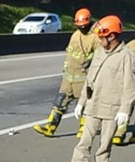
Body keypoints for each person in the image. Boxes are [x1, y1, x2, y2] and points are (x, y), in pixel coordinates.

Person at [69, 15, 135, 162]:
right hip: (93, 105)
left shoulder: (127, 56)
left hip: (112, 109)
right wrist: (82, 102)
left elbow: (130, 87)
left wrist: (124, 110)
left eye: (102, 37)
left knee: (104, 145)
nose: (99, 40)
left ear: (112, 36)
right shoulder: (99, 52)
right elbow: (89, 80)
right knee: (83, 142)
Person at [33, 8, 98, 138]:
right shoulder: (75, 35)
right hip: (69, 77)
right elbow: (69, 52)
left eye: (84, 26)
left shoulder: (95, 38)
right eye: (79, 26)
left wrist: (90, 61)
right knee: (60, 101)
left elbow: (99, 54)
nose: (82, 28)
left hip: (84, 77)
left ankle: (84, 129)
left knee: (85, 104)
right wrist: (66, 66)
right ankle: (50, 127)